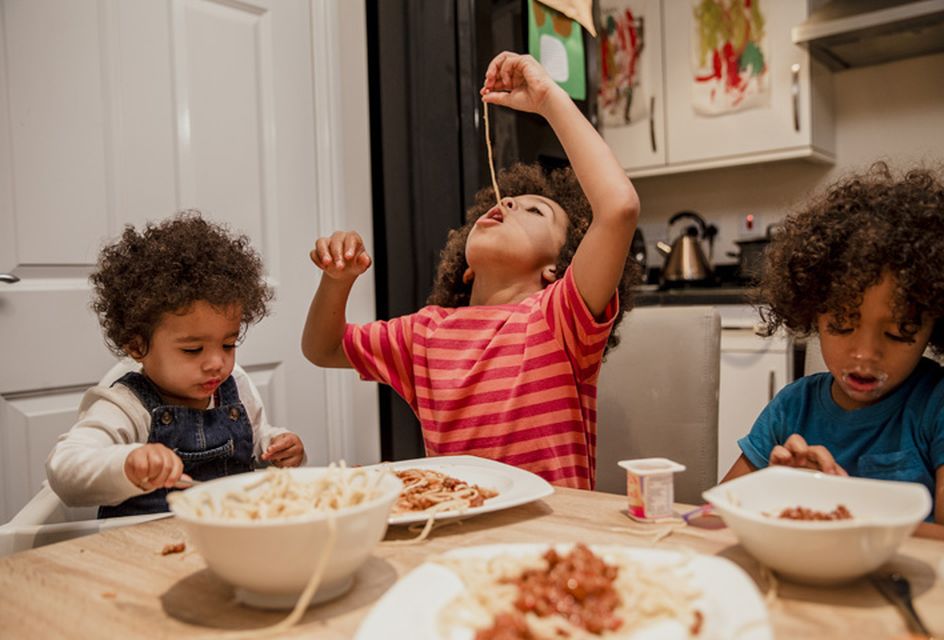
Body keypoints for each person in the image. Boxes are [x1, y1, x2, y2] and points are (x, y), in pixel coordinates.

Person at [301, 51, 641, 490]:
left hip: (551, 535)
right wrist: (337, 281)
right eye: (507, 201)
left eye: (535, 211)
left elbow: (619, 207)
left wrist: (546, 98)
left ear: (558, 269)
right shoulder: (423, 336)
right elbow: (322, 348)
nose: (509, 202)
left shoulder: (560, 320)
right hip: (458, 534)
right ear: (465, 269)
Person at [722, 163, 944, 536]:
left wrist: (838, 505)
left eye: (897, 332)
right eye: (842, 324)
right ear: (812, 312)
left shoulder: (935, 405)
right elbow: (715, 516)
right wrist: (775, 493)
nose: (865, 354)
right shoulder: (792, 408)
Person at [46, 213, 306, 517]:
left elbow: (257, 438)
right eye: (193, 349)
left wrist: (276, 444)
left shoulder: (235, 387)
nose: (216, 363)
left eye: (228, 344)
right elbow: (65, 468)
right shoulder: (125, 407)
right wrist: (127, 464)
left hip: (232, 537)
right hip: (145, 550)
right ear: (136, 346)